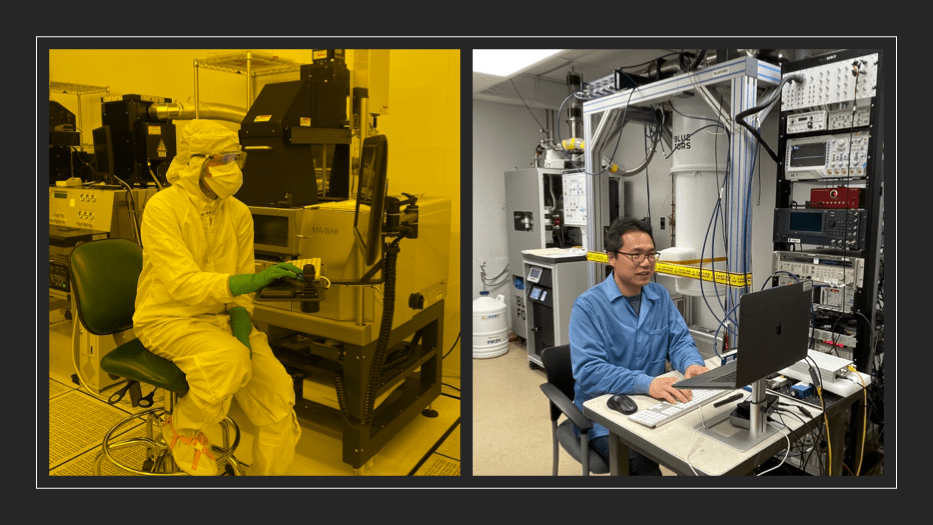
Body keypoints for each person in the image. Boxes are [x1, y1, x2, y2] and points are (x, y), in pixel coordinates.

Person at [133, 120, 303, 476]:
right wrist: (252, 280)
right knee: (229, 362)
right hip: (168, 317)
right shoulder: (163, 208)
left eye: (236, 158)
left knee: (279, 397)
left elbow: (241, 284)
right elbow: (183, 284)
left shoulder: (238, 213)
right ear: (197, 163)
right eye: (223, 159)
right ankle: (183, 424)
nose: (233, 168)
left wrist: (241, 320)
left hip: (221, 319)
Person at [567, 217, 709, 475]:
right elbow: (589, 370)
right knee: (640, 462)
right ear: (611, 257)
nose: (646, 262)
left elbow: (678, 341)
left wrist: (692, 363)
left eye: (651, 254)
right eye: (635, 255)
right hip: (606, 413)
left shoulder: (660, 295)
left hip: (653, 403)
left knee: (703, 442)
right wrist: (647, 384)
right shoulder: (588, 307)